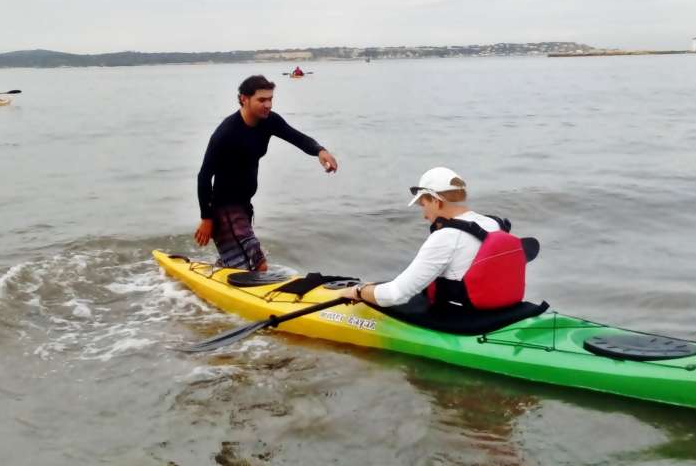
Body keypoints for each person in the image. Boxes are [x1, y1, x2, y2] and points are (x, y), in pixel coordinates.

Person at [195, 75, 338, 271]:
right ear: (244, 99)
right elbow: (204, 176)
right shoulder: (226, 133)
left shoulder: (270, 121)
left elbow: (297, 138)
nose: (268, 104)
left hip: (243, 206)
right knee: (259, 266)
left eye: (270, 99)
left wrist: (320, 151)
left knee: (244, 265)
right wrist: (206, 218)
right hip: (225, 209)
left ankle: (222, 271)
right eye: (262, 100)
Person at [338, 167, 526, 313]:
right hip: (503, 309)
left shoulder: (445, 237)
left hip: (465, 318)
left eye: (424, 205)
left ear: (437, 201)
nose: (424, 216)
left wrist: (358, 291)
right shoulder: (494, 223)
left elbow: (396, 295)